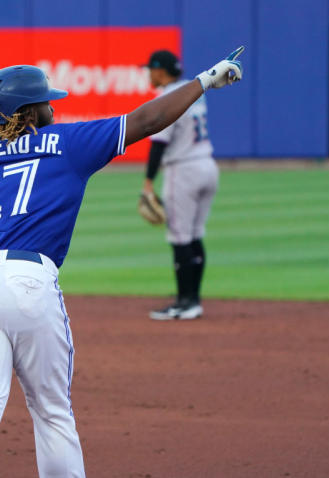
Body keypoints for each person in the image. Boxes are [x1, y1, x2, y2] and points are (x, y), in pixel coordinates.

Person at [0, 47, 243, 477]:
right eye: (46, 102)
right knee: (52, 412)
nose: (52, 107)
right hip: (25, 281)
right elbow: (146, 121)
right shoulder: (65, 144)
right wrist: (205, 81)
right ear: (28, 111)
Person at [143, 49, 222, 321]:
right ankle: (194, 300)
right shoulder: (193, 92)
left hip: (183, 170)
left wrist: (148, 182)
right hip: (208, 166)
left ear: (161, 71)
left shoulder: (168, 97)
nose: (149, 74)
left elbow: (159, 142)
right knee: (195, 235)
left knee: (180, 239)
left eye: (151, 70)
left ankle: (184, 302)